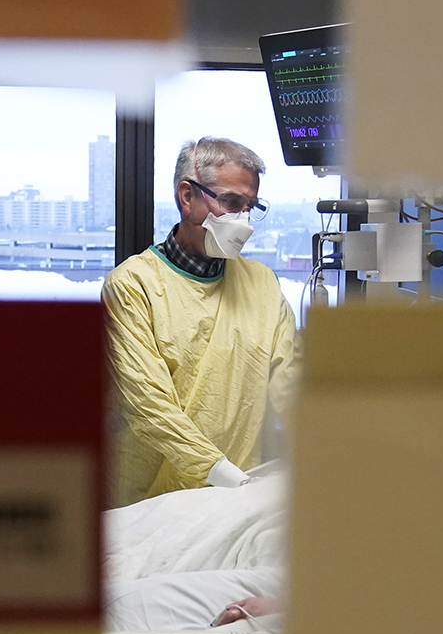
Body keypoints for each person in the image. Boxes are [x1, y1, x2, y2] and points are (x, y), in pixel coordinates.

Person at [104, 136, 298, 504]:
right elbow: (149, 405)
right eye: (231, 202)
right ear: (187, 196)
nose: (243, 221)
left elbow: (291, 384)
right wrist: (225, 475)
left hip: (238, 495)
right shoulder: (132, 286)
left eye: (251, 207)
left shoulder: (262, 283)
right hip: (153, 499)